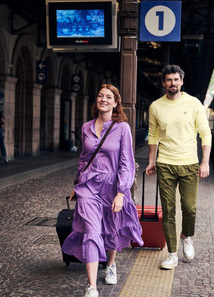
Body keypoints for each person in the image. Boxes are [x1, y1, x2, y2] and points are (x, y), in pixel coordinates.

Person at [62, 84, 143, 297]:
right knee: (91, 230)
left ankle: (112, 264)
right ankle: (92, 287)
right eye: (100, 96)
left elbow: (127, 163)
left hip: (112, 186)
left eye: (108, 97)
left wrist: (121, 192)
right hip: (88, 186)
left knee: (111, 229)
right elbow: (83, 158)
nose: (103, 99)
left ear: (116, 103)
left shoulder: (122, 128)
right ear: (96, 101)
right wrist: (77, 183)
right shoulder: (86, 127)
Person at [145, 64, 212, 270]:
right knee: (168, 210)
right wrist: (151, 161)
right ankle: (172, 254)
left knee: (190, 208)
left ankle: (186, 236)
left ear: (181, 81)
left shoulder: (194, 104)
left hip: (189, 164)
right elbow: (154, 136)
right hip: (165, 164)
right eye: (168, 80)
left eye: (176, 80)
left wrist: (205, 161)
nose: (172, 83)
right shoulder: (156, 106)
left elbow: (205, 133)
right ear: (164, 83)